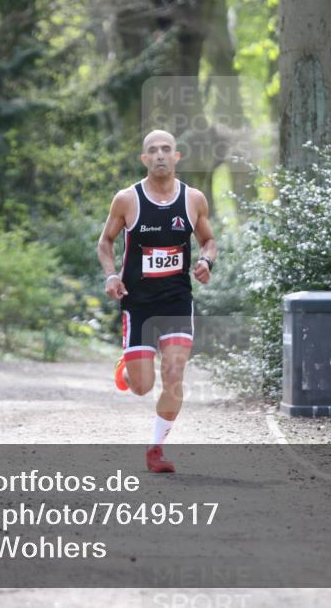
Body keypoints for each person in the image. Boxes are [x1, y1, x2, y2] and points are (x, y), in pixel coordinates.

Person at [97, 130, 217, 472]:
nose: (160, 154)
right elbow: (105, 242)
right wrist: (110, 275)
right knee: (143, 386)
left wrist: (206, 262)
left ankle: (156, 449)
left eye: (167, 149)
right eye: (153, 150)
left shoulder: (193, 199)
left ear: (177, 157)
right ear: (144, 159)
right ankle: (129, 369)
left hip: (177, 301)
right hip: (138, 304)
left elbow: (208, 240)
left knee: (175, 372)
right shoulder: (127, 199)